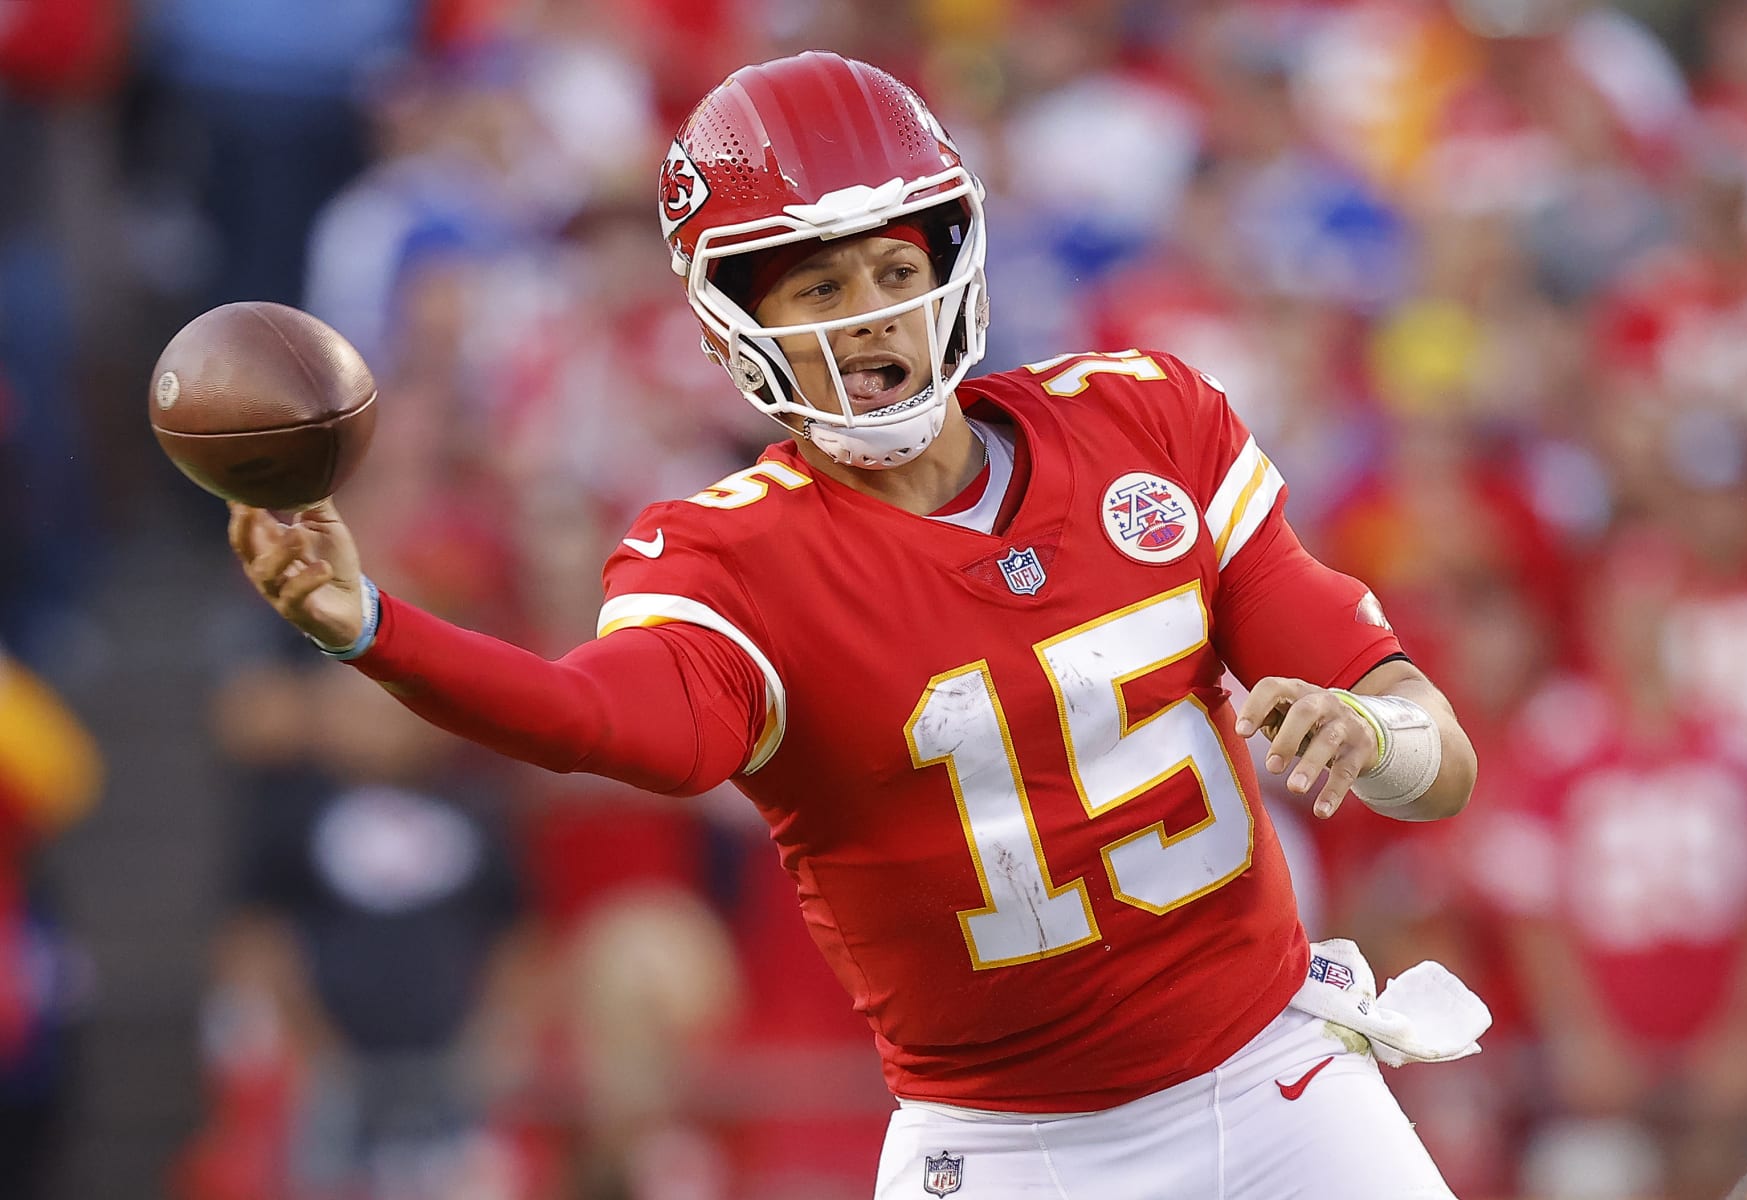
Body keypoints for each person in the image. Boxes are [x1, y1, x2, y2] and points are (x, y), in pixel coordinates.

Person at [226, 51, 1481, 1199]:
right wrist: (374, 628)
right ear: (739, 322)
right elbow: (601, 721)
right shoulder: (728, 557)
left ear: (950, 265)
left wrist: (1370, 729)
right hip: (1010, 1151)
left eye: (893, 269)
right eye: (819, 281)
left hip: (1282, 1085)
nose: (871, 312)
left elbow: (1442, 765)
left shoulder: (1146, 420)